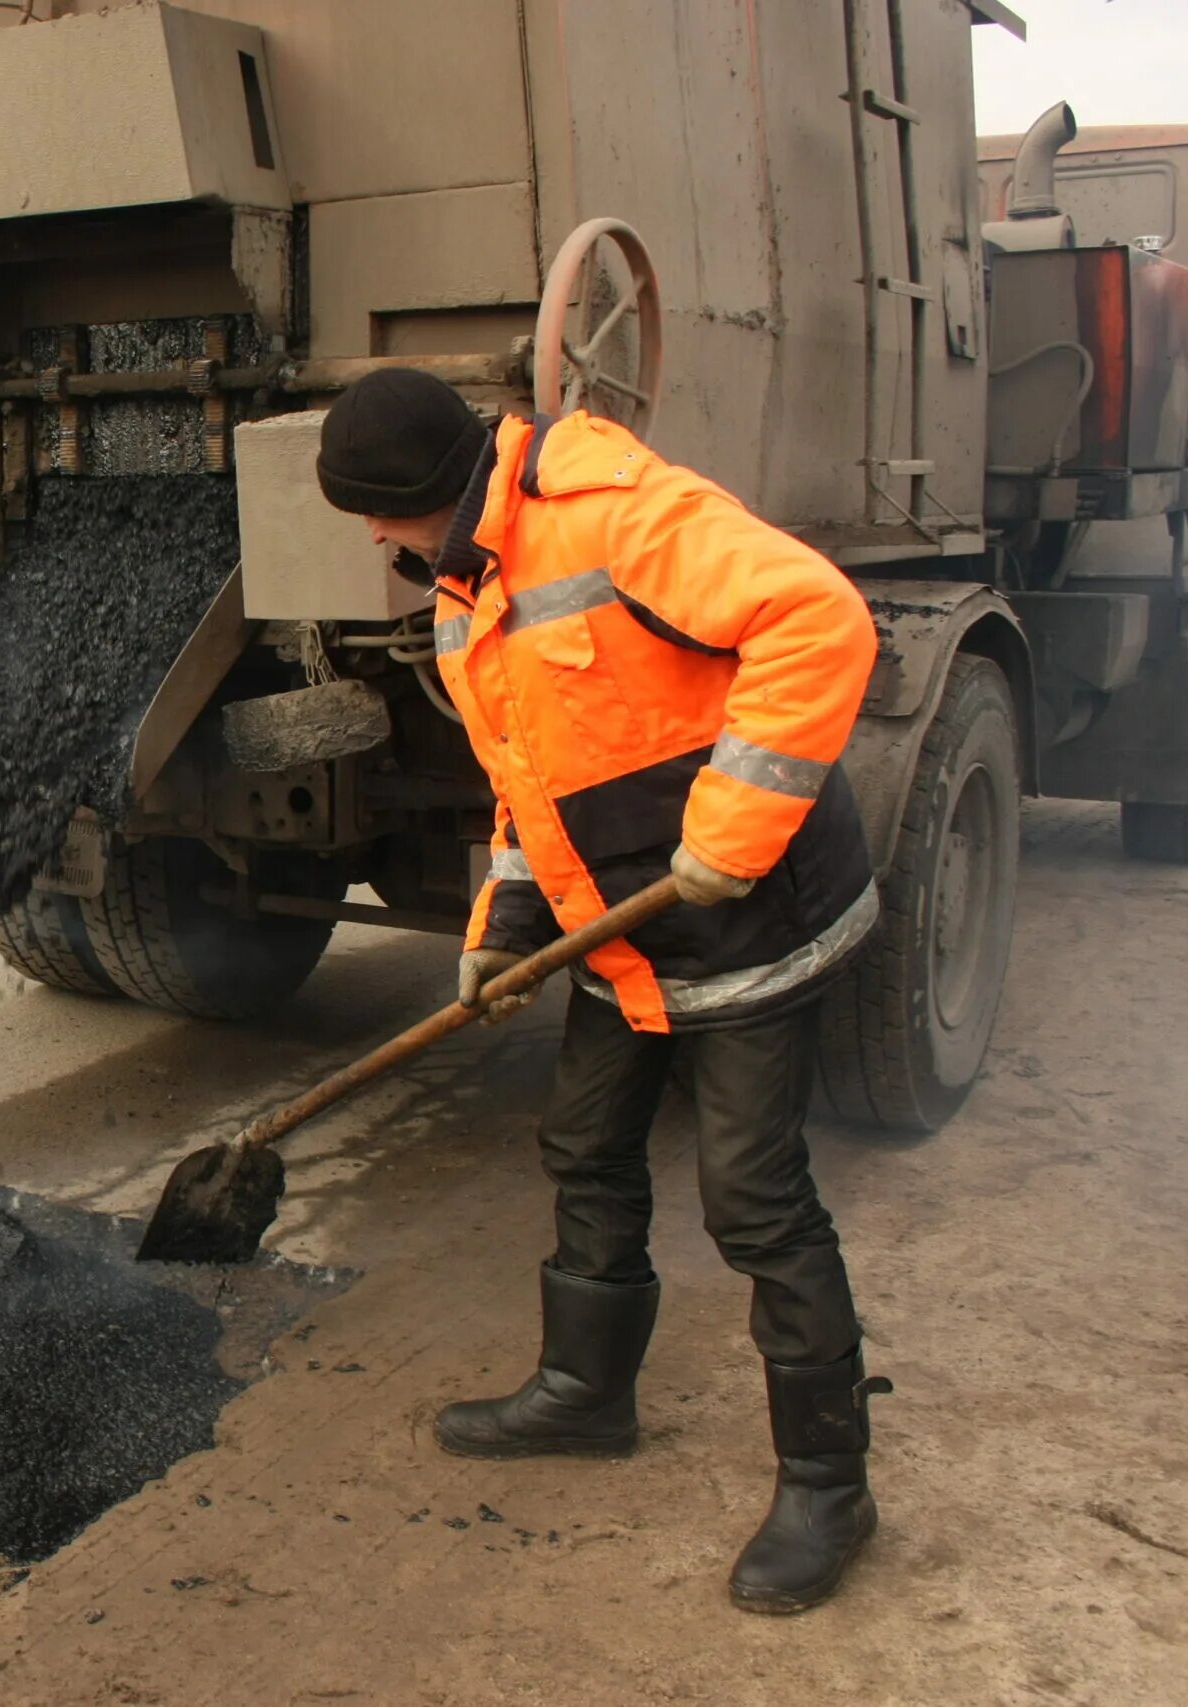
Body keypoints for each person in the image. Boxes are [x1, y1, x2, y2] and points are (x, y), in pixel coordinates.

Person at [315, 369, 890, 1614]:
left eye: (374, 511)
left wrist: (731, 833)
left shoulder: (613, 508)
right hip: (619, 934)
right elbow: (529, 783)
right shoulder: (461, 599)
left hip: (745, 916)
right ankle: (585, 1395)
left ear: (426, 492)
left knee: (751, 1198)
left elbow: (818, 621)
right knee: (582, 1143)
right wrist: (502, 923)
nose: (369, 537)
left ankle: (829, 1485)